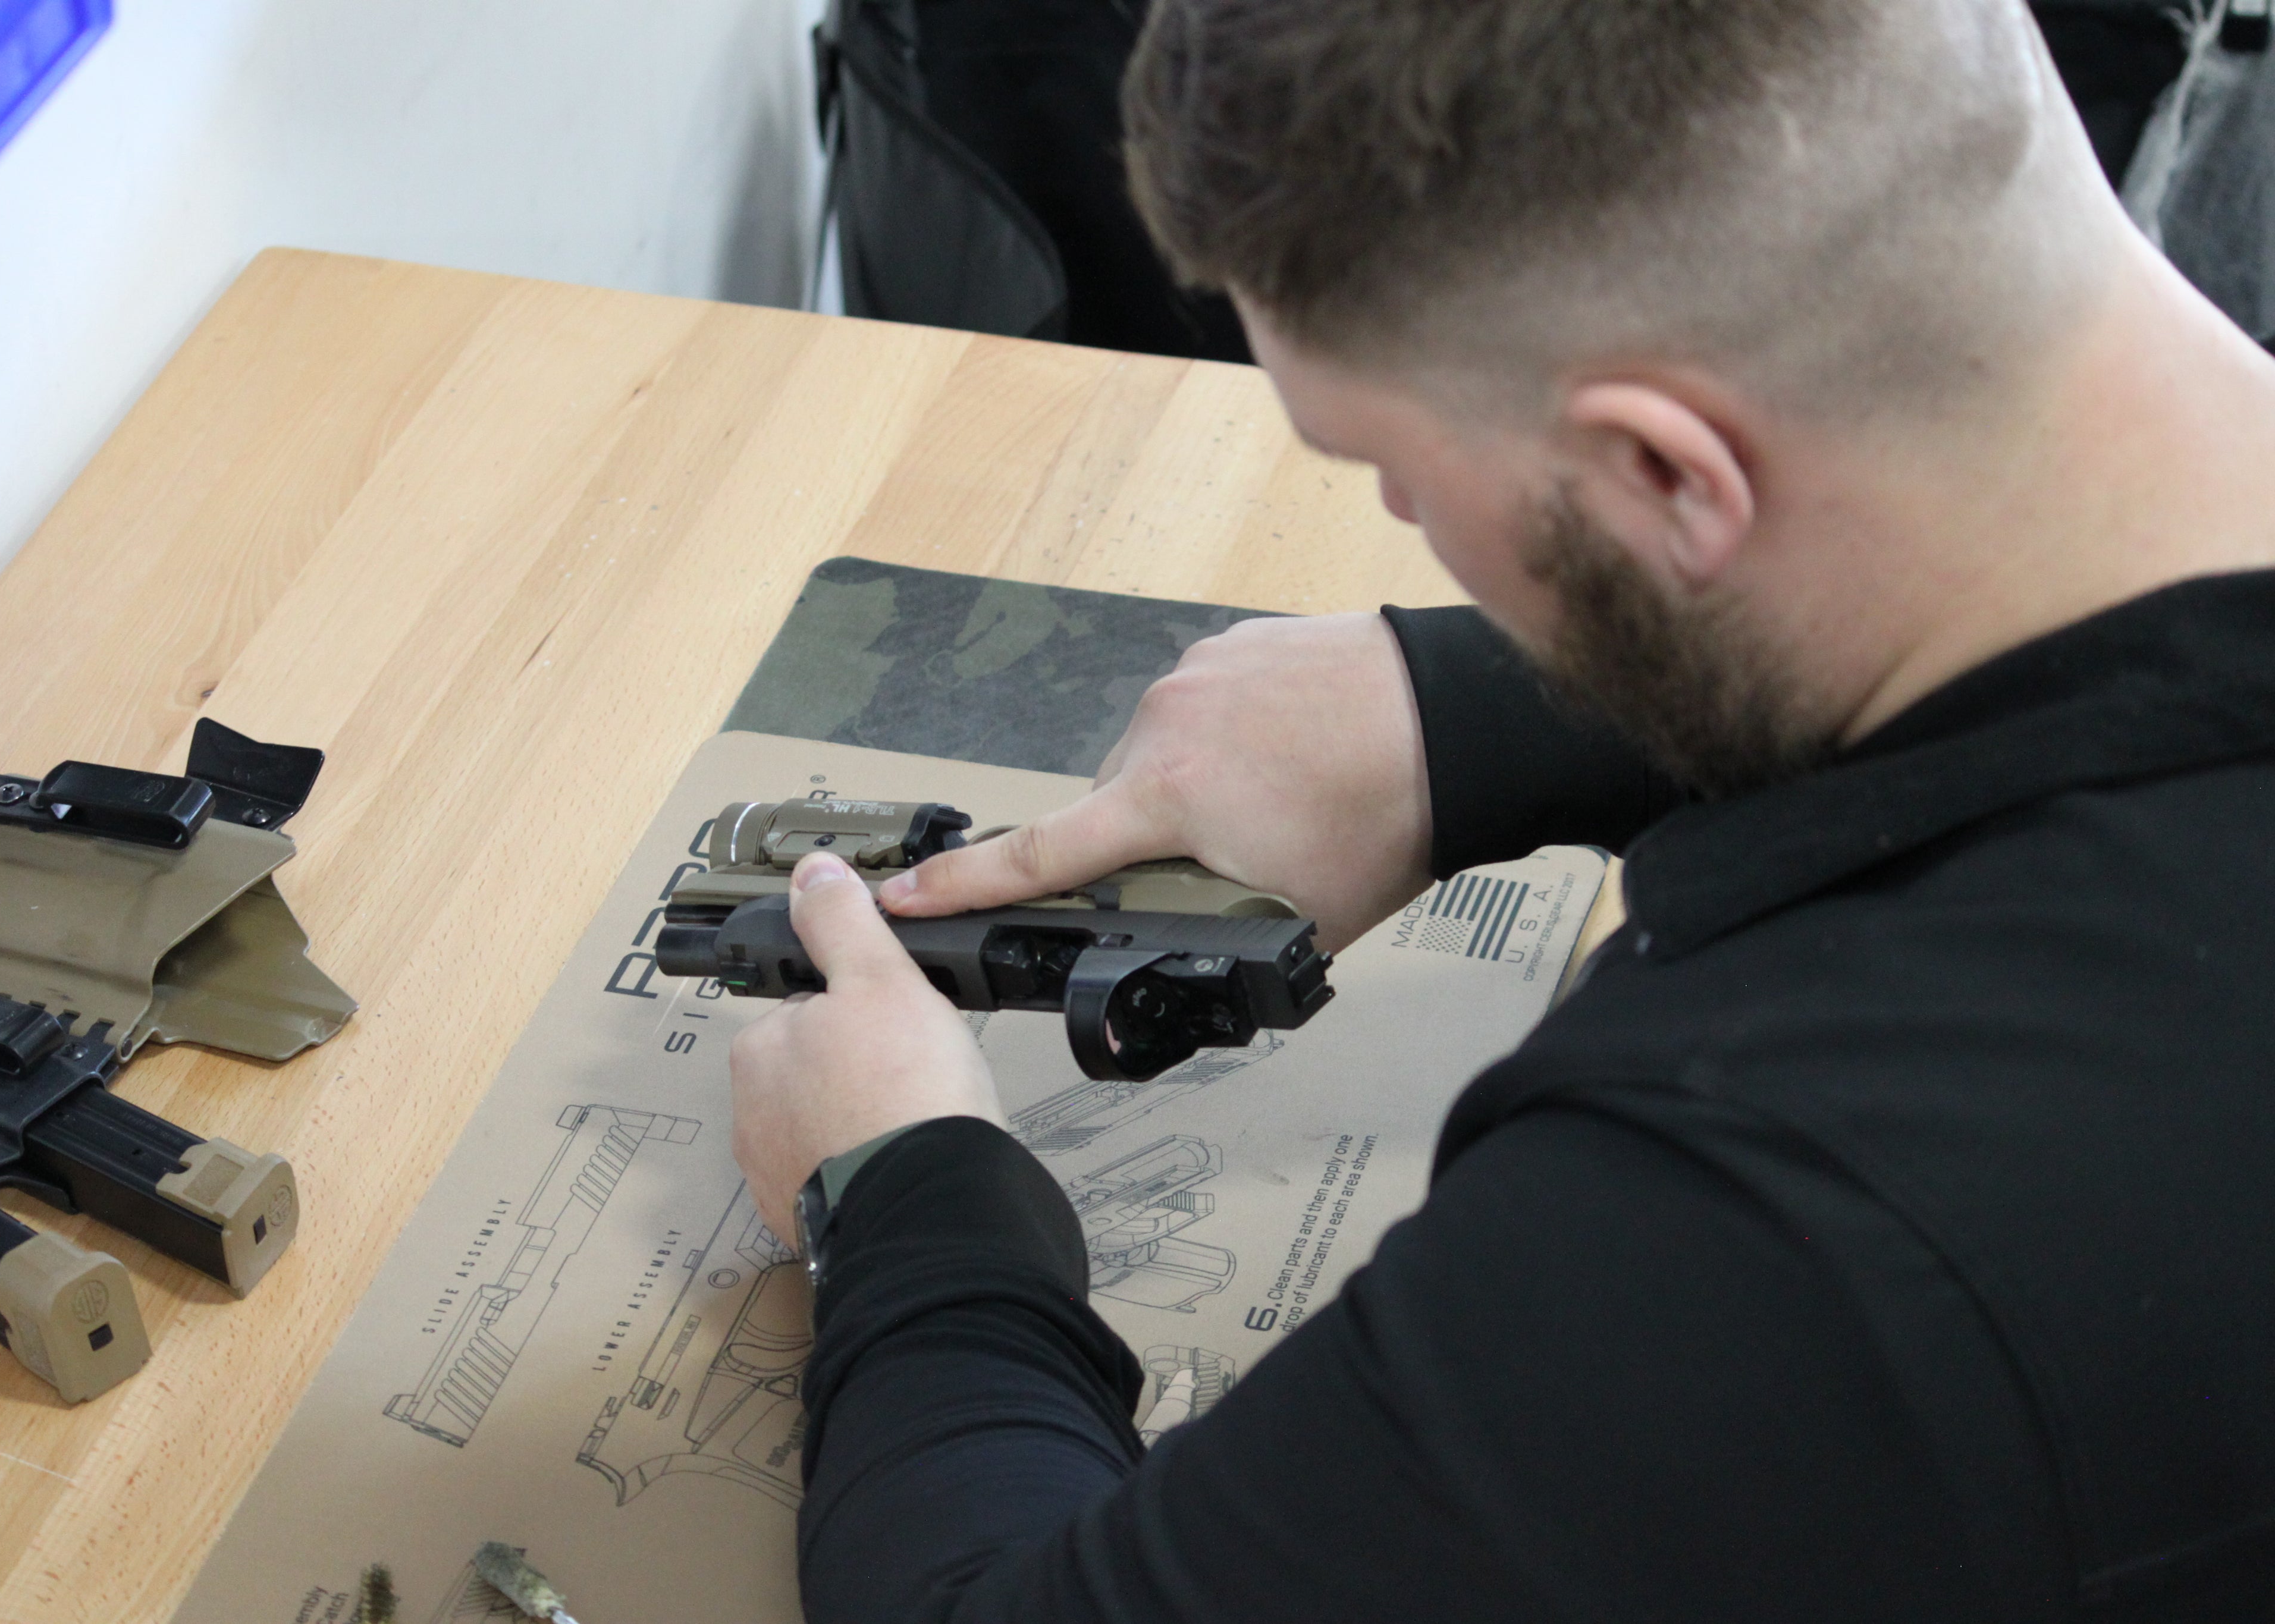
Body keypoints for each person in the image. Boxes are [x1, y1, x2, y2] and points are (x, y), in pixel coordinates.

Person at [729, 0, 2275, 1616]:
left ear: (1670, 479)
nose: (1402, 523)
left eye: (1387, 464)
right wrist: (1470, 714)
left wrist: (908, 1198)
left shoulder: (1774, 1214)